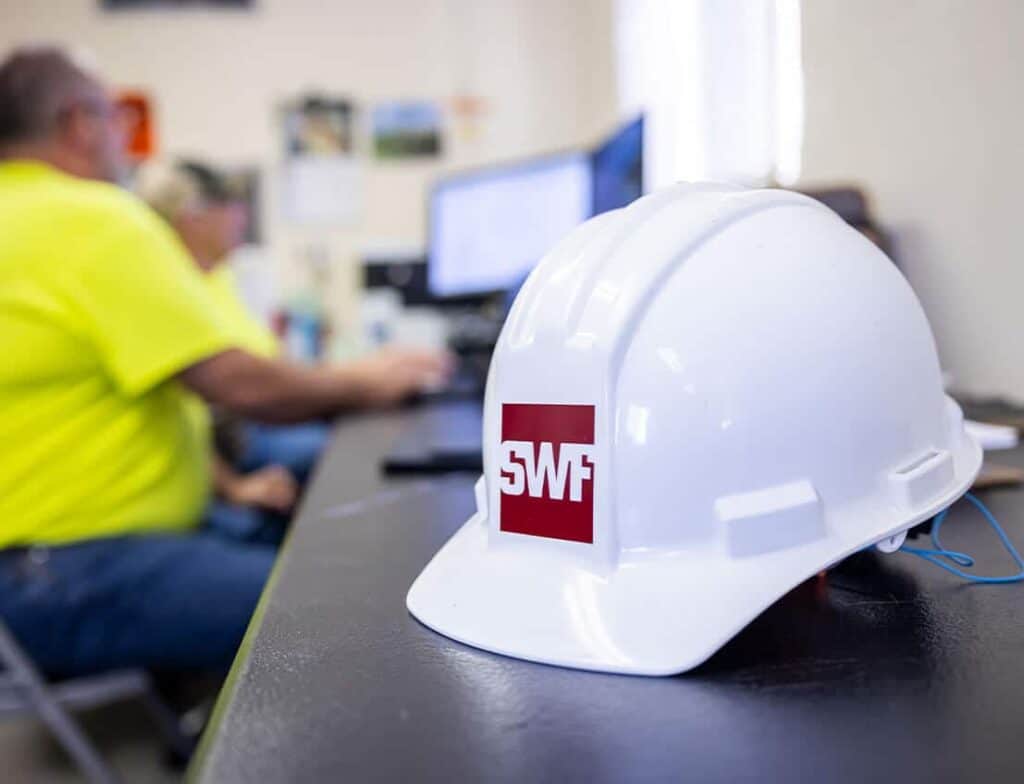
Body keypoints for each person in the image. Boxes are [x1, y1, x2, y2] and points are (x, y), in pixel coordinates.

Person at [0, 46, 450, 677]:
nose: (122, 141)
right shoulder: (91, 217)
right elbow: (236, 384)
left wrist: (231, 484)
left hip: (42, 566)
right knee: (351, 607)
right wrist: (366, 380)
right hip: (72, 569)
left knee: (311, 541)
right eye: (116, 120)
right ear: (80, 121)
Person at [135, 158, 330, 489]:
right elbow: (223, 394)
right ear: (192, 217)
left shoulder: (218, 274)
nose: (241, 217)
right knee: (340, 453)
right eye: (230, 207)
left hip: (256, 425)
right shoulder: (171, 286)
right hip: (237, 441)